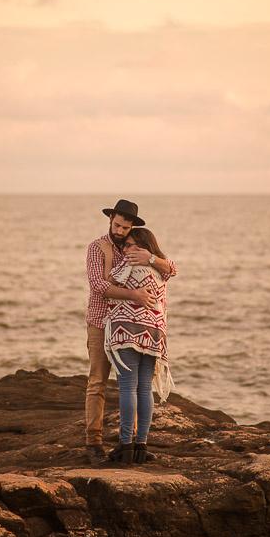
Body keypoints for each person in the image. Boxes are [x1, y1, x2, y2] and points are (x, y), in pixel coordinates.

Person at [84, 199, 176, 465]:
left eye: (125, 227)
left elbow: (172, 270)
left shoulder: (138, 248)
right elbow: (98, 285)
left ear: (132, 226)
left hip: (126, 327)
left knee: (132, 385)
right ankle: (94, 441)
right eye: (117, 225)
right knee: (98, 382)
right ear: (110, 219)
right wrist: (134, 294)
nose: (120, 231)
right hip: (101, 321)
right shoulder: (97, 248)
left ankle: (132, 442)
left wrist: (151, 258)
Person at [105, 227, 173, 464]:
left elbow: (108, 287)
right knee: (144, 389)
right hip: (154, 332)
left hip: (128, 329)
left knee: (127, 387)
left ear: (144, 246)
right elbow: (172, 269)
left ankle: (126, 446)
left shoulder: (128, 264)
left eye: (132, 245)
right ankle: (141, 447)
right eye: (125, 245)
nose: (126, 249)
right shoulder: (160, 270)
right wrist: (153, 259)